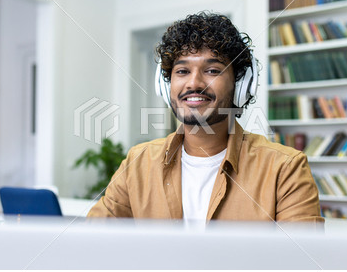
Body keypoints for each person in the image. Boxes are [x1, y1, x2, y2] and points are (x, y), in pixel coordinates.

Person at [87, 12, 324, 225]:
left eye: (212, 70)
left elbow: (301, 266)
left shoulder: (285, 169)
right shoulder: (138, 162)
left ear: (240, 85)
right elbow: (91, 244)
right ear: (165, 86)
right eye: (182, 71)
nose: (193, 83)